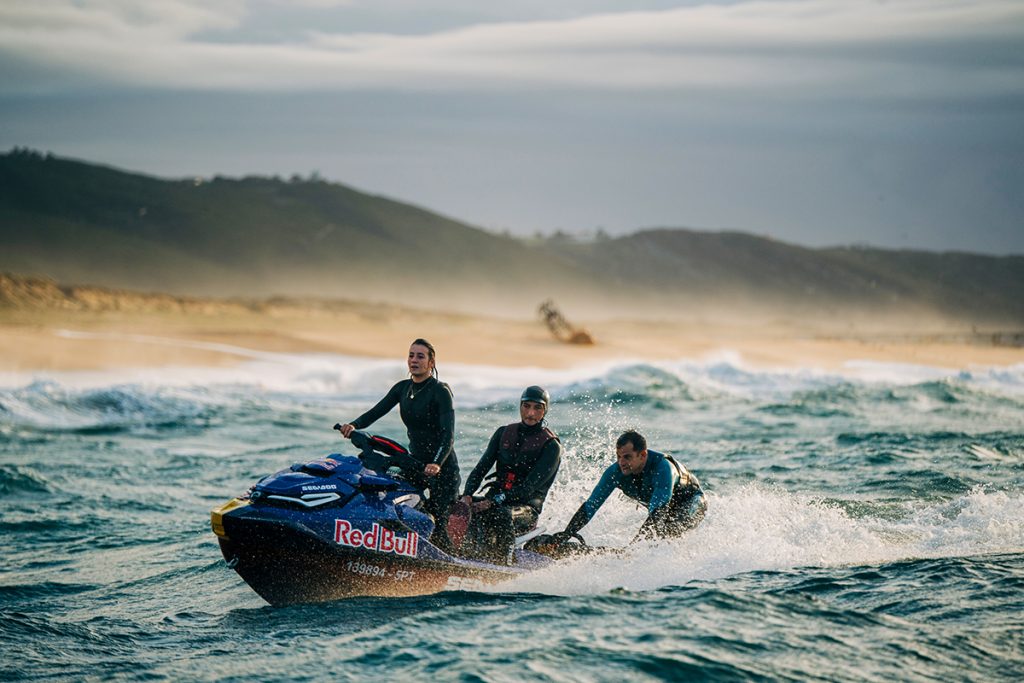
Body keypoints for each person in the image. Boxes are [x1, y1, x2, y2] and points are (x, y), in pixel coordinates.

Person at [336, 339, 460, 547]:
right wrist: (354, 425)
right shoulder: (402, 388)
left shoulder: (440, 391)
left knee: (438, 520)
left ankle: (449, 566)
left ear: (431, 362)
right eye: (411, 355)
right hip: (416, 464)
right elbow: (377, 411)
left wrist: (437, 463)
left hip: (443, 469)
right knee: (397, 500)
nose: (414, 360)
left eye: (420, 356)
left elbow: (448, 435)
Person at [457, 385, 562, 564]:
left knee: (500, 514)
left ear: (545, 411)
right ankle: (459, 553)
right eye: (526, 406)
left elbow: (528, 488)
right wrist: (467, 495)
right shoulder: (503, 433)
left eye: (537, 408)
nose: (530, 413)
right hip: (495, 500)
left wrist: (492, 502)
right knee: (455, 504)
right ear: (520, 406)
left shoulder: (551, 446)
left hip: (526, 508)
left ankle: (504, 561)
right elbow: (480, 469)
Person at [556, 430, 706, 544]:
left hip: (692, 503)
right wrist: (566, 534)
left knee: (664, 533)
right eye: (618, 456)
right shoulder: (615, 473)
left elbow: (657, 514)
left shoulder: (663, 468)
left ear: (642, 455)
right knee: (656, 533)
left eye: (627, 457)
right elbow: (590, 506)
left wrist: (635, 550)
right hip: (661, 509)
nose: (621, 462)